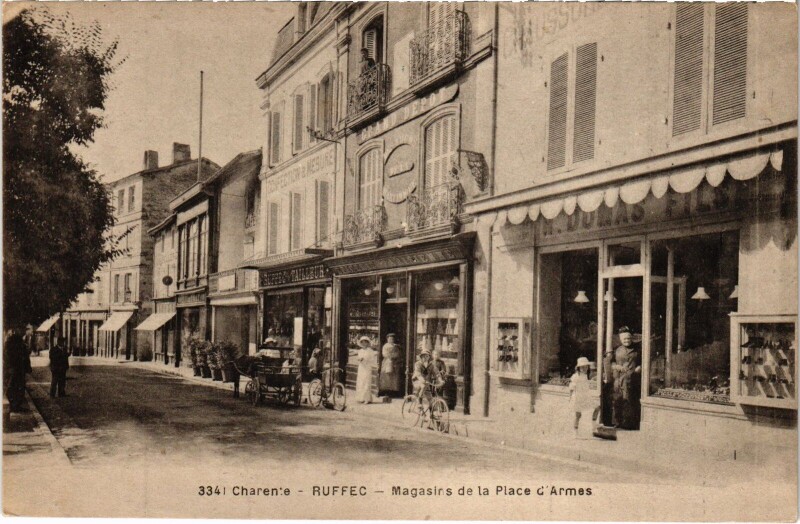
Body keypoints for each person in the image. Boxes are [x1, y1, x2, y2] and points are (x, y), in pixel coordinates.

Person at [612, 326, 642, 429]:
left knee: (629, 401)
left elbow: (644, 361)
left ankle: (628, 424)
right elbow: (611, 363)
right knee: (617, 400)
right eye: (624, 339)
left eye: (628, 338)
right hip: (618, 379)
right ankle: (617, 422)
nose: (627, 341)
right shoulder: (617, 350)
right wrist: (616, 366)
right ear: (621, 340)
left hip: (632, 379)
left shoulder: (637, 349)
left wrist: (640, 367)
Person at [5, 329, 32, 412]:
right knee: (16, 387)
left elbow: (26, 357)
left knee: (17, 387)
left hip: (17, 369)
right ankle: (15, 405)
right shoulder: (16, 345)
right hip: (16, 369)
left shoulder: (14, 345)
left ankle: (15, 405)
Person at [569, 357, 595, 439]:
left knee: (597, 408)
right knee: (578, 415)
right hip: (578, 397)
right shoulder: (575, 376)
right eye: (582, 367)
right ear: (578, 368)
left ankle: (594, 426)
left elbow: (586, 386)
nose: (584, 368)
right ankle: (575, 432)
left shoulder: (585, 376)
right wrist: (570, 398)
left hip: (585, 396)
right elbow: (571, 388)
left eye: (586, 367)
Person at [354, 336, 374, 404]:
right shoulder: (360, 351)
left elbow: (372, 359)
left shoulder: (370, 351)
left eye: (365, 342)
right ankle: (361, 398)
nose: (364, 343)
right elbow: (358, 358)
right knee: (361, 382)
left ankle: (367, 399)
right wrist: (359, 359)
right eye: (362, 342)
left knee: (367, 382)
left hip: (367, 367)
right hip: (361, 368)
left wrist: (365, 359)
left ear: (367, 343)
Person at [601, 344, 615, 427]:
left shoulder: (613, 362)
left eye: (611, 353)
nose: (609, 355)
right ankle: (606, 421)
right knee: (607, 403)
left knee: (609, 403)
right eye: (608, 353)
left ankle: (609, 421)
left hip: (611, 383)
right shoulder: (604, 361)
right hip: (605, 384)